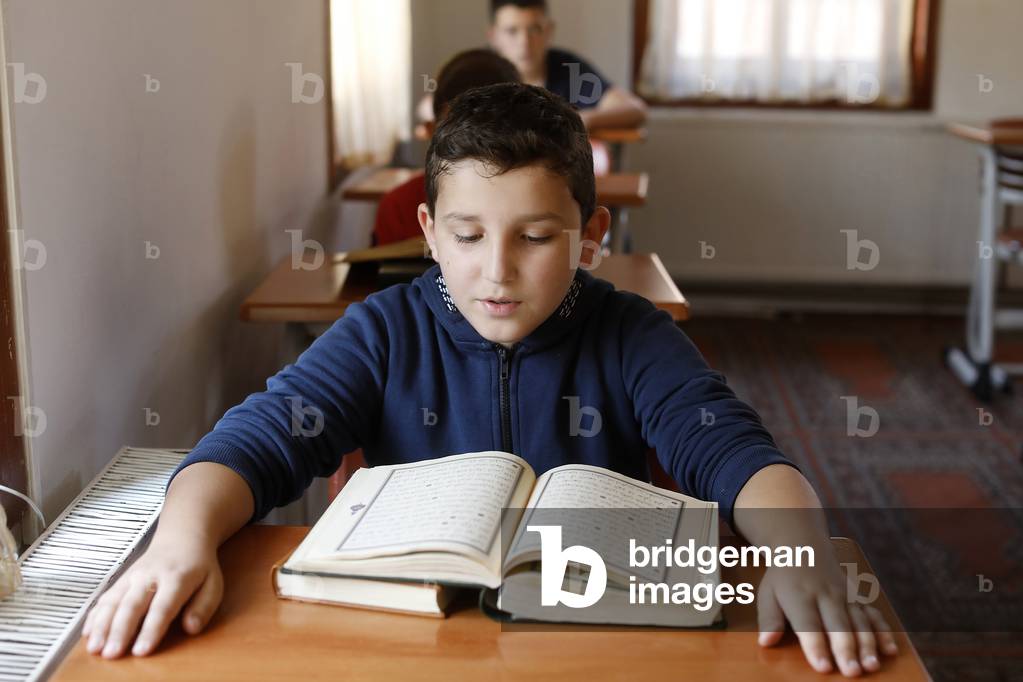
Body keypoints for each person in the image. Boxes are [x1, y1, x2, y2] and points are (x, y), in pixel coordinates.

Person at [82, 84, 896, 678]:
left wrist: (798, 547)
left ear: (590, 237)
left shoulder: (628, 332)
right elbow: (252, 441)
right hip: (404, 645)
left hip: (589, 639)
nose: (496, 272)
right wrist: (180, 541)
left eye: (536, 237)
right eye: (468, 235)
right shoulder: (383, 330)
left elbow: (732, 450)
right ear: (430, 234)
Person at [417, 0, 646, 132]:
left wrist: (583, 120)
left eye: (534, 29)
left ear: (549, 31)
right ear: (493, 36)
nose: (524, 42)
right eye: (512, 31)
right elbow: (428, 107)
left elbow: (634, 109)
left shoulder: (569, 69)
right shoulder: (477, 69)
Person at [375, 49, 520, 247]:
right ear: (431, 131)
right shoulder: (399, 207)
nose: (475, 150)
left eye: (492, 134)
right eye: (457, 135)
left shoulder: (540, 200)